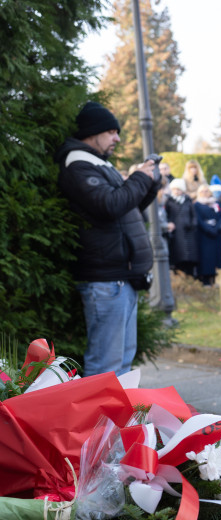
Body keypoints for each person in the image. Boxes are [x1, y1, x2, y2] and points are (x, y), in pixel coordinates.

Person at [55, 101, 158, 376]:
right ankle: (99, 421)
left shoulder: (98, 164)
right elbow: (110, 205)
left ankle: (116, 421)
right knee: (105, 369)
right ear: (93, 131)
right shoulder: (78, 164)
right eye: (112, 132)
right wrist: (138, 177)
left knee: (121, 366)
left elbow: (125, 207)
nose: (117, 139)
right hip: (106, 281)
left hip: (118, 279)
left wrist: (148, 182)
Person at [165, 178, 198, 277]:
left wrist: (192, 224)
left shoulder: (188, 201)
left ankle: (190, 276)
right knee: (178, 255)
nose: (176, 191)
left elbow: (193, 215)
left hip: (189, 231)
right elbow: (167, 216)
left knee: (190, 256)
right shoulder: (169, 202)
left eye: (178, 189)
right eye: (174, 189)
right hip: (176, 232)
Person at [194, 184, 221, 286]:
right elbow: (199, 220)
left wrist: (216, 228)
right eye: (202, 191)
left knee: (216, 257)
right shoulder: (197, 205)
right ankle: (206, 280)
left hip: (216, 234)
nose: (205, 193)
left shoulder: (216, 203)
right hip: (204, 235)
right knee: (205, 258)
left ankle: (216, 279)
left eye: (206, 191)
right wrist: (209, 229)